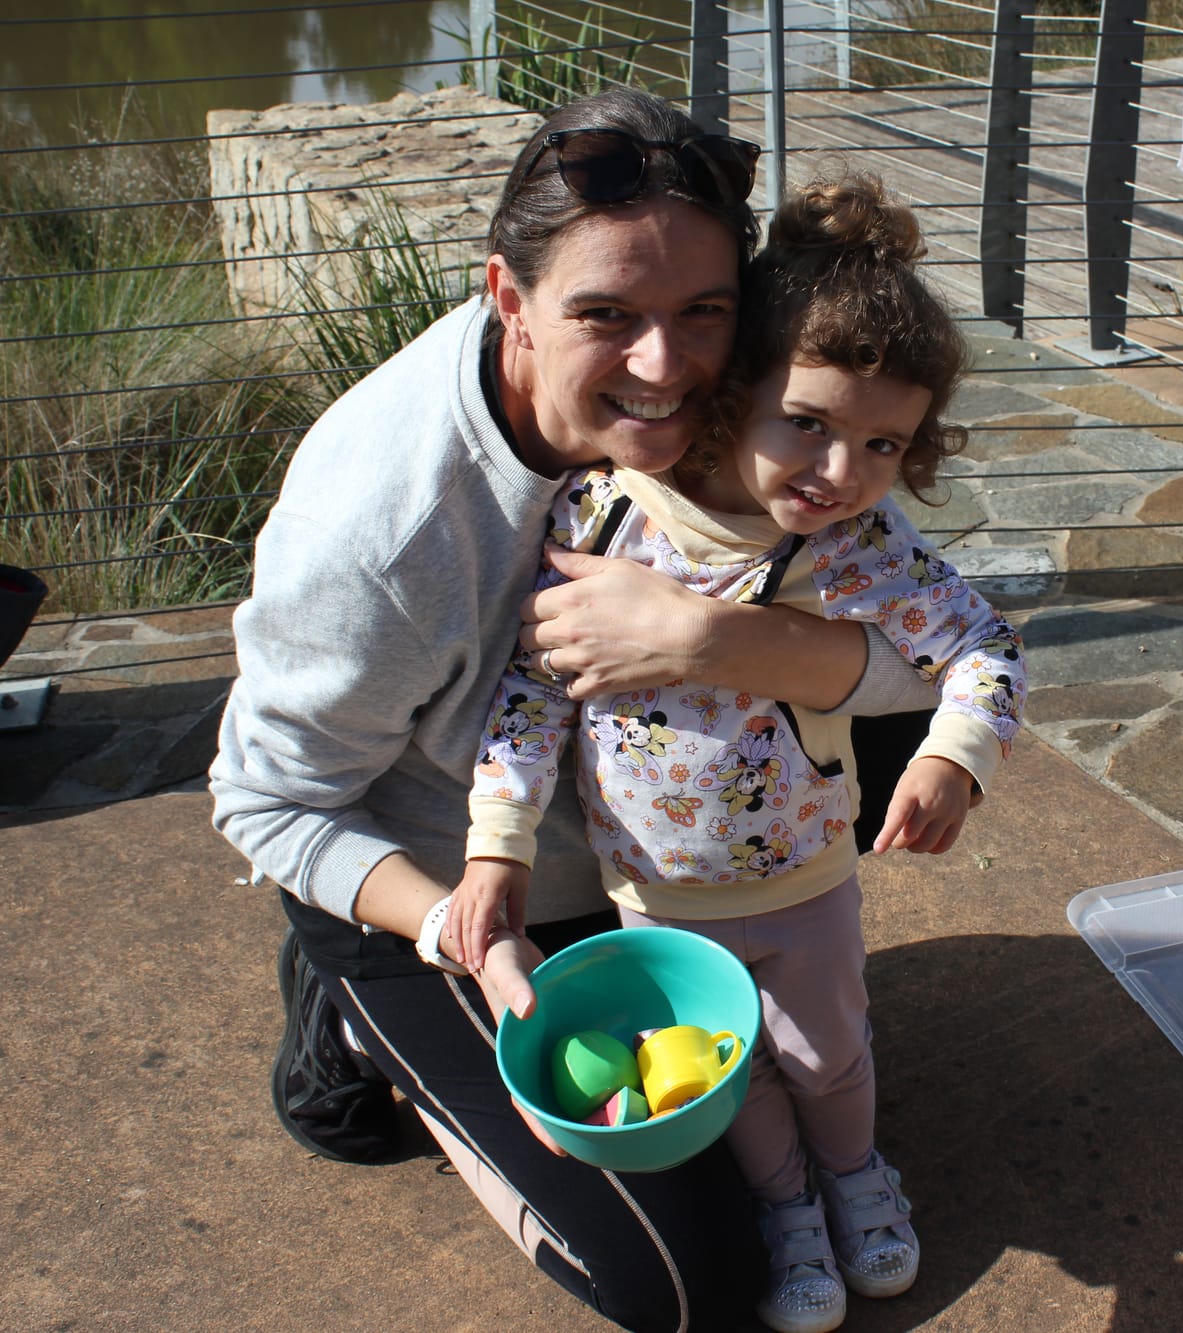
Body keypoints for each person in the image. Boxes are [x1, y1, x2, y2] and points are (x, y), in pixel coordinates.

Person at [209, 89, 942, 1333]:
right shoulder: (377, 531)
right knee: (687, 1286)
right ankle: (350, 1007)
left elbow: (923, 659)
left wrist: (710, 637)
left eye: (701, 314)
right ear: (508, 296)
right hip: (452, 871)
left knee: (892, 712)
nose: (663, 370)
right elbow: (263, 798)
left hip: (648, 836)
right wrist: (454, 922)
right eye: (604, 317)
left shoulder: (755, 406)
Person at [448, 171, 1028, 1333]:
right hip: (652, 890)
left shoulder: (856, 544)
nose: (837, 470)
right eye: (804, 423)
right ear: (733, 396)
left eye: (881, 443)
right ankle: (784, 1207)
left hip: (806, 876)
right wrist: (494, 847)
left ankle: (858, 1176)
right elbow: (530, 694)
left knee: (826, 1048)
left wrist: (950, 757)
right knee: (731, 1068)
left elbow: (981, 645)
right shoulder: (607, 516)